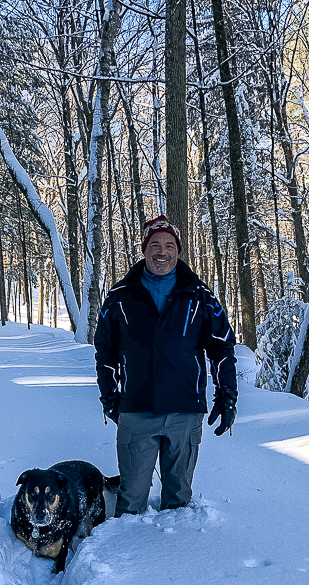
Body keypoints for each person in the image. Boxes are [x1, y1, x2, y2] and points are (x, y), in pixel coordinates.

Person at [94, 215, 237, 516]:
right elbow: (105, 353)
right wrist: (110, 399)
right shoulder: (119, 298)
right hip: (136, 411)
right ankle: (123, 559)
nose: (162, 251)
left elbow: (222, 347)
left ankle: (174, 558)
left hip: (185, 413)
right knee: (131, 500)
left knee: (179, 502)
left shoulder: (200, 297)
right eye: (155, 244)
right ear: (144, 249)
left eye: (169, 245)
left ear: (178, 249)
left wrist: (227, 397)